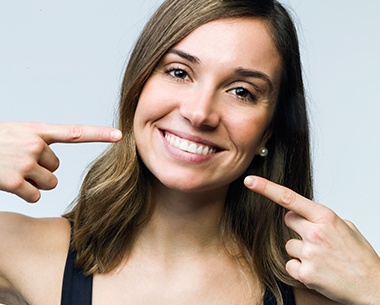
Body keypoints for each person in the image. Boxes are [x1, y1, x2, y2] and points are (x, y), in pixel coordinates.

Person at [0, 1, 379, 305]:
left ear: (269, 130)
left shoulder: (311, 291)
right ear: (139, 84)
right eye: (179, 72)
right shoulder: (16, 251)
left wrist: (374, 286)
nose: (198, 113)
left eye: (241, 91)